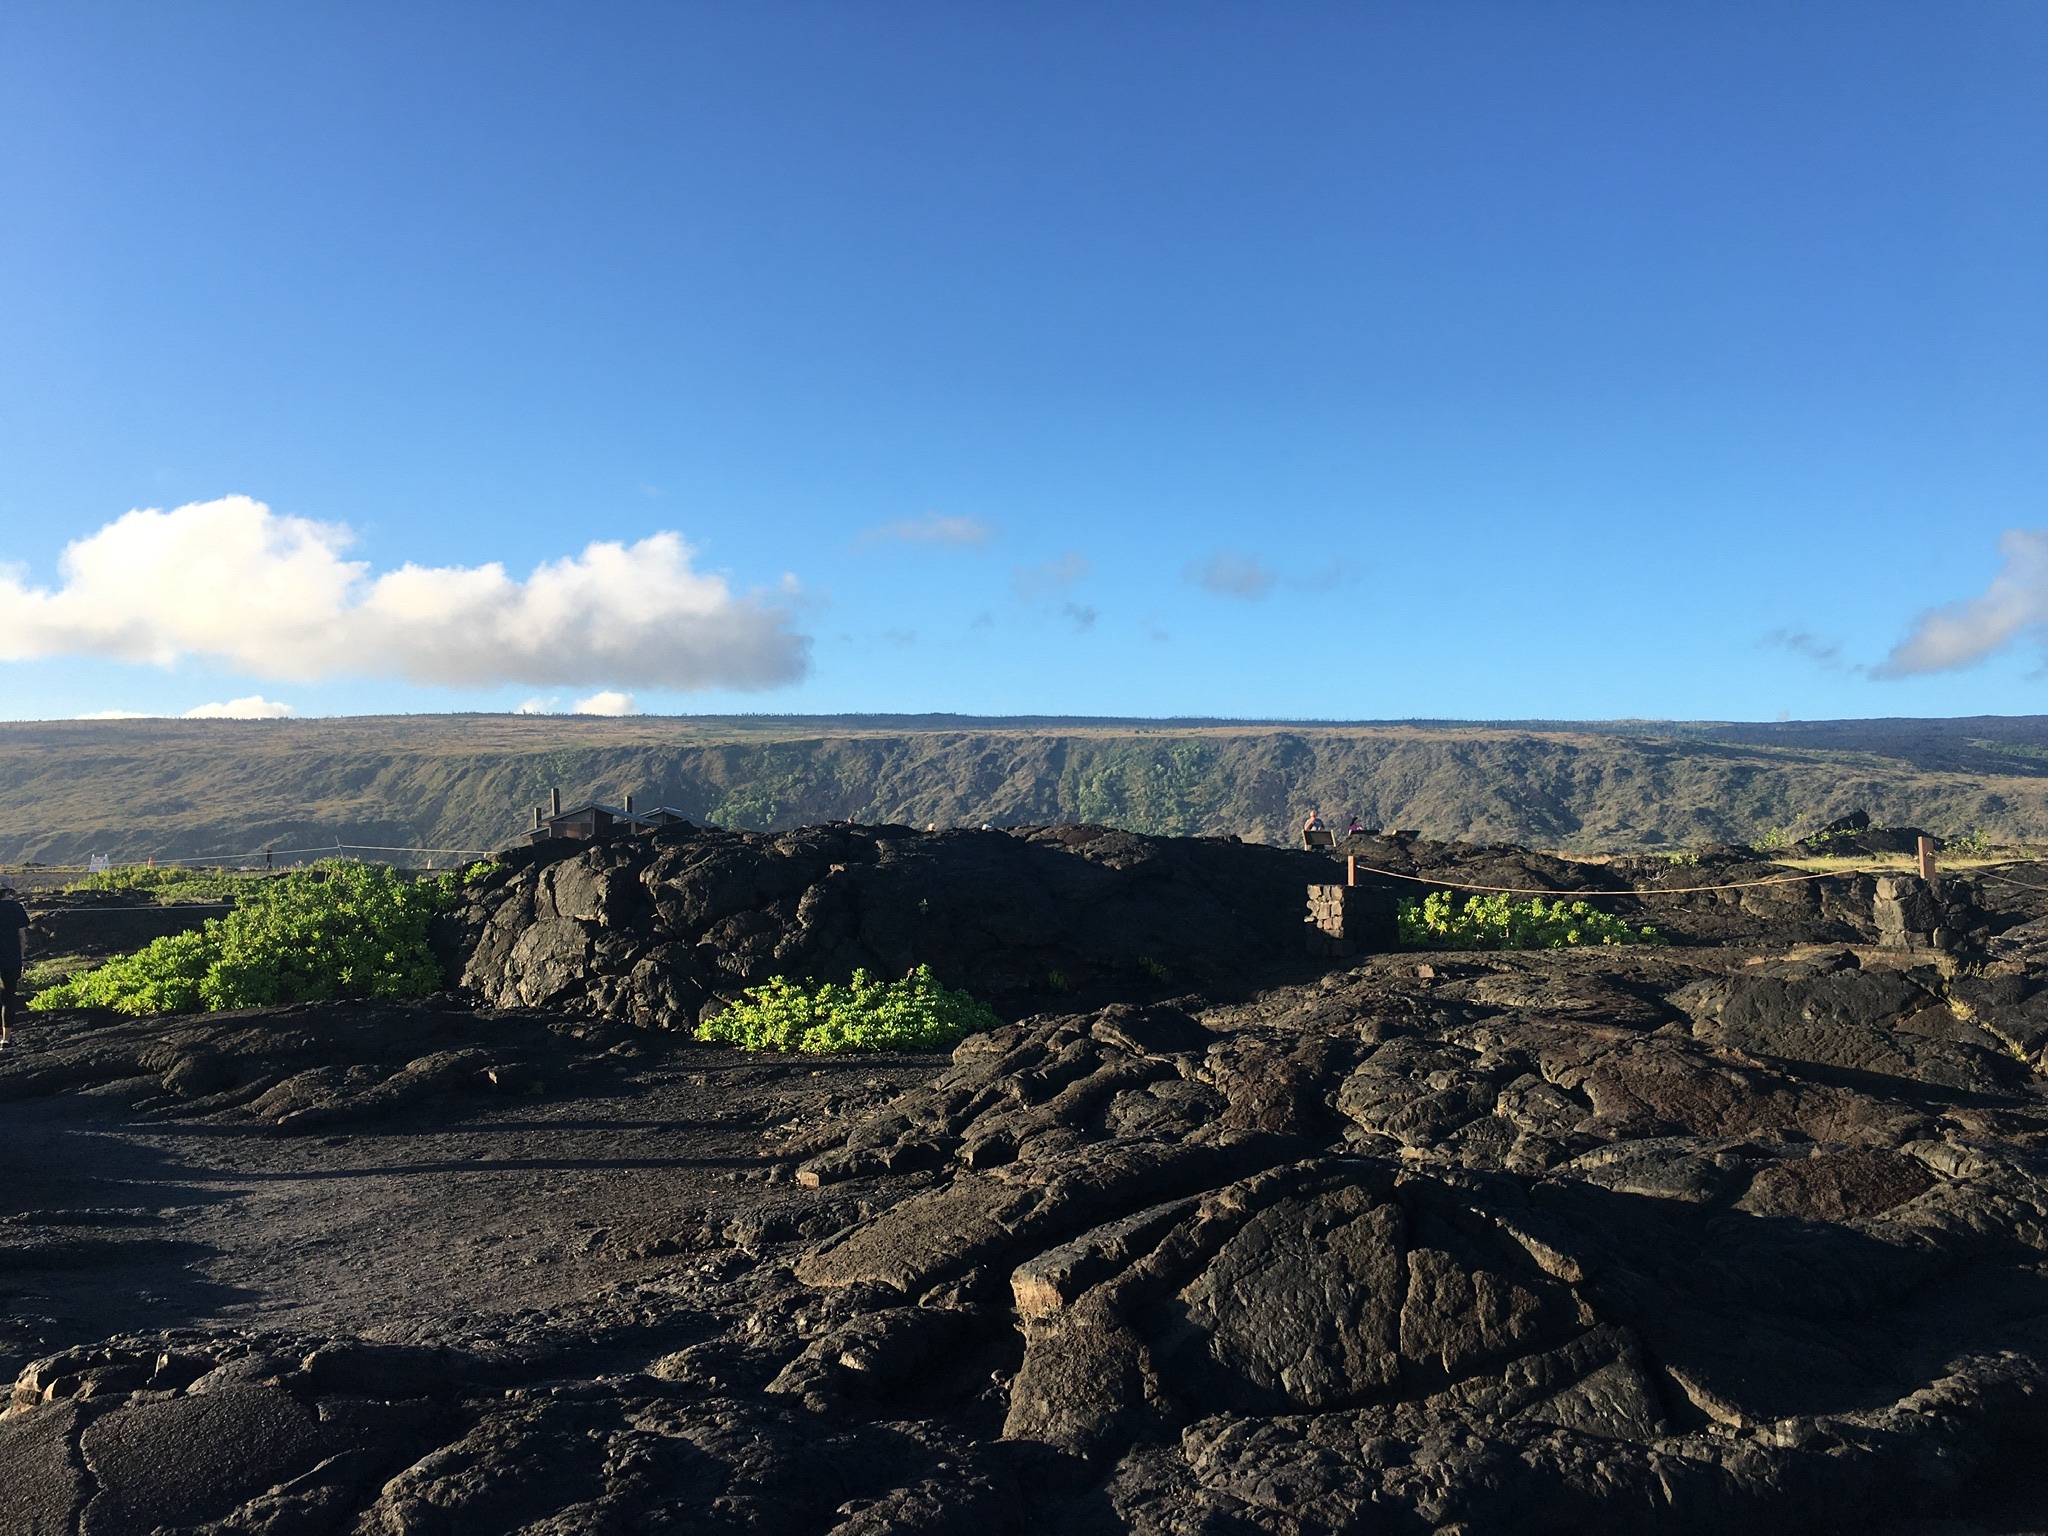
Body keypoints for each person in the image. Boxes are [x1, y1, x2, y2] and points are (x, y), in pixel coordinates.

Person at [0, 884, 29, 1049]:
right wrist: (22, 958)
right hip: (11, 958)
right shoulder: (16, 908)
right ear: (7, 892)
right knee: (8, 998)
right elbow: (22, 936)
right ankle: (6, 1039)